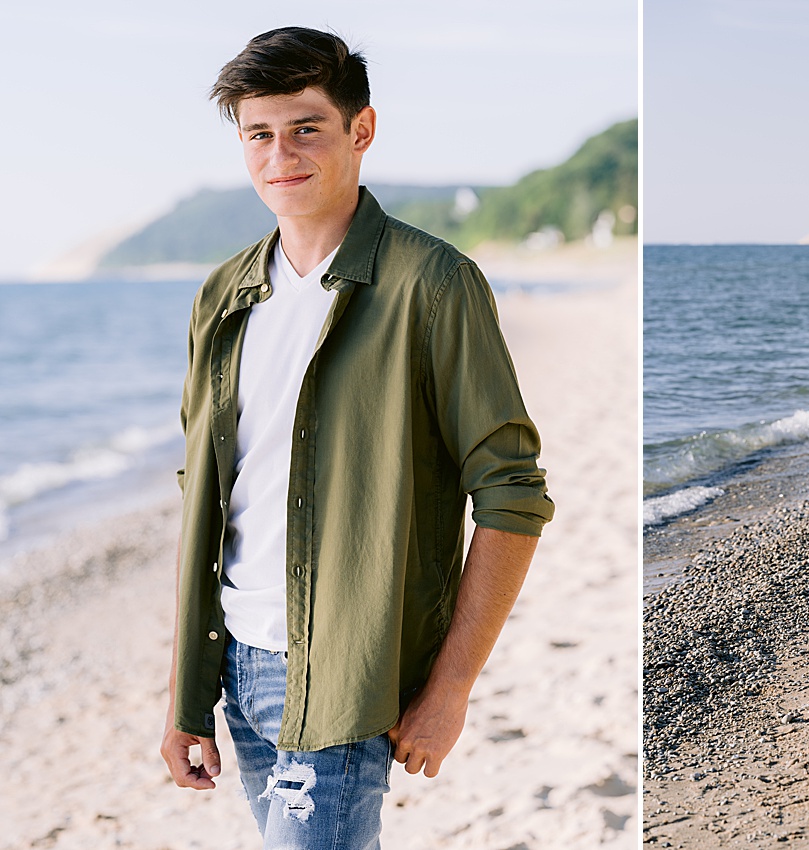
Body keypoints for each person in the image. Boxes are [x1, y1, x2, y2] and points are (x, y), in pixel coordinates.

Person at [158, 27, 554, 846]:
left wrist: (451, 690)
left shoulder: (433, 283)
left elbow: (513, 494)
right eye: (257, 135)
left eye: (305, 127)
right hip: (236, 663)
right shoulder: (222, 295)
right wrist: (186, 699)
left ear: (360, 130)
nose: (280, 155)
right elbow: (204, 497)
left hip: (347, 677)